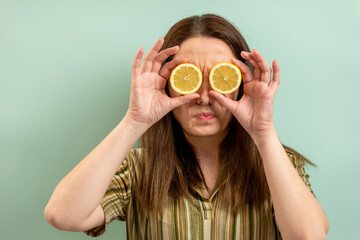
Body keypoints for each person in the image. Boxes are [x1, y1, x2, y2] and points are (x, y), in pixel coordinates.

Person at [44, 14, 329, 239]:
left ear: (242, 86)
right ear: (166, 85)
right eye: (188, 77)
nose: (204, 97)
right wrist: (135, 121)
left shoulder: (278, 164)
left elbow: (309, 236)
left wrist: (263, 132)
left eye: (221, 77)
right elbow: (63, 215)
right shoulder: (137, 170)